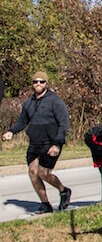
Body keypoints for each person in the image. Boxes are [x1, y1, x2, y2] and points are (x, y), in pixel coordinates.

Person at [3, 71, 71, 214]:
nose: (38, 84)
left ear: (46, 83)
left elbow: (64, 124)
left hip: (50, 143)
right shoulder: (29, 102)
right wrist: (11, 131)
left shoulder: (55, 101)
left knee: (44, 173)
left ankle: (63, 190)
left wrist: (57, 144)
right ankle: (45, 204)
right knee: (33, 172)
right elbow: (23, 121)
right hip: (35, 143)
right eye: (35, 82)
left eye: (41, 82)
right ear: (32, 84)